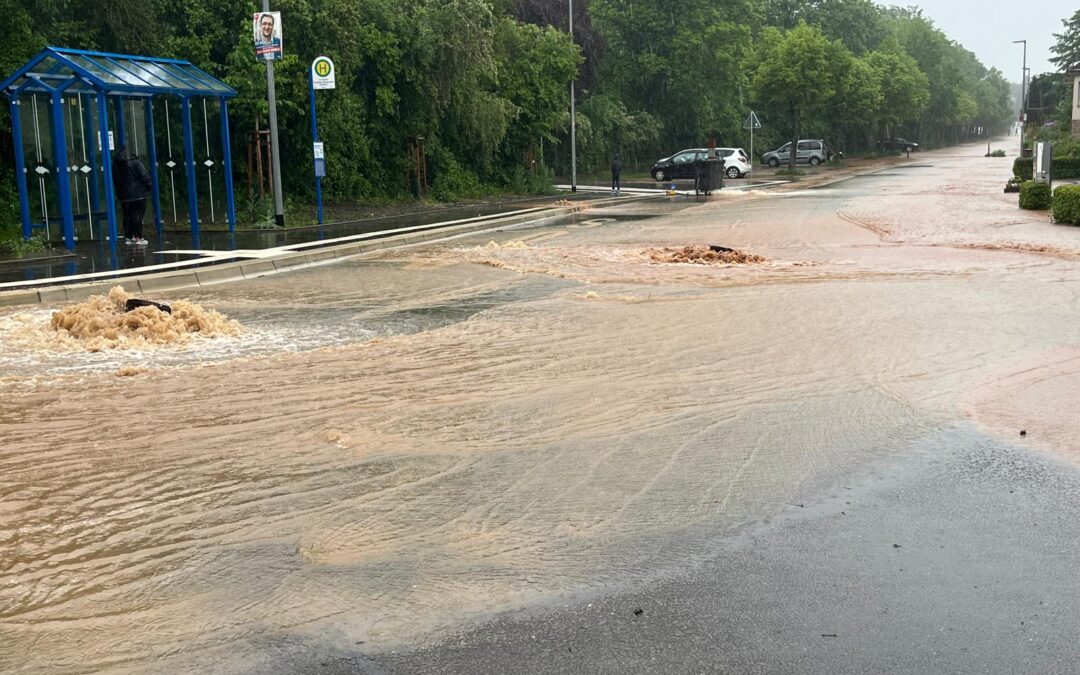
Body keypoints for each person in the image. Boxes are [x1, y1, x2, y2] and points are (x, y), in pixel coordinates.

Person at [112, 146, 152, 245]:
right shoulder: (135, 162)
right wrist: (148, 186)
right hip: (138, 194)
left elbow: (115, 180)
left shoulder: (116, 164)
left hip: (124, 195)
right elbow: (144, 176)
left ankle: (128, 237)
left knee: (127, 215)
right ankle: (138, 237)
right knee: (138, 214)